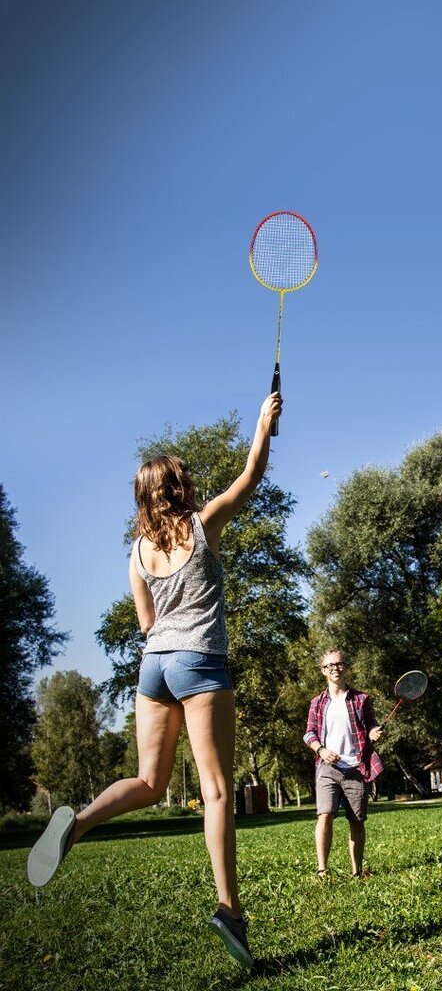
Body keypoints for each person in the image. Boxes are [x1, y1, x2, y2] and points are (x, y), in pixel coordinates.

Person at [27, 392, 283, 969]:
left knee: (148, 780)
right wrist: (263, 424)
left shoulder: (137, 552)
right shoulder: (203, 524)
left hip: (154, 666)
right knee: (216, 791)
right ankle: (229, 908)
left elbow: (146, 623)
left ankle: (81, 821)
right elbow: (252, 475)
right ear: (179, 489)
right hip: (198, 660)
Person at [303, 649, 383, 878]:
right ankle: (322, 870)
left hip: (356, 768)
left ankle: (357, 871)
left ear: (345, 667)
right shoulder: (317, 702)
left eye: (339, 664)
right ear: (323, 671)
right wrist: (321, 749)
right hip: (328, 767)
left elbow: (371, 726)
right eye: (329, 665)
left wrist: (374, 733)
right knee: (325, 815)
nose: (334, 668)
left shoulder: (361, 699)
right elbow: (309, 734)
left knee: (356, 820)